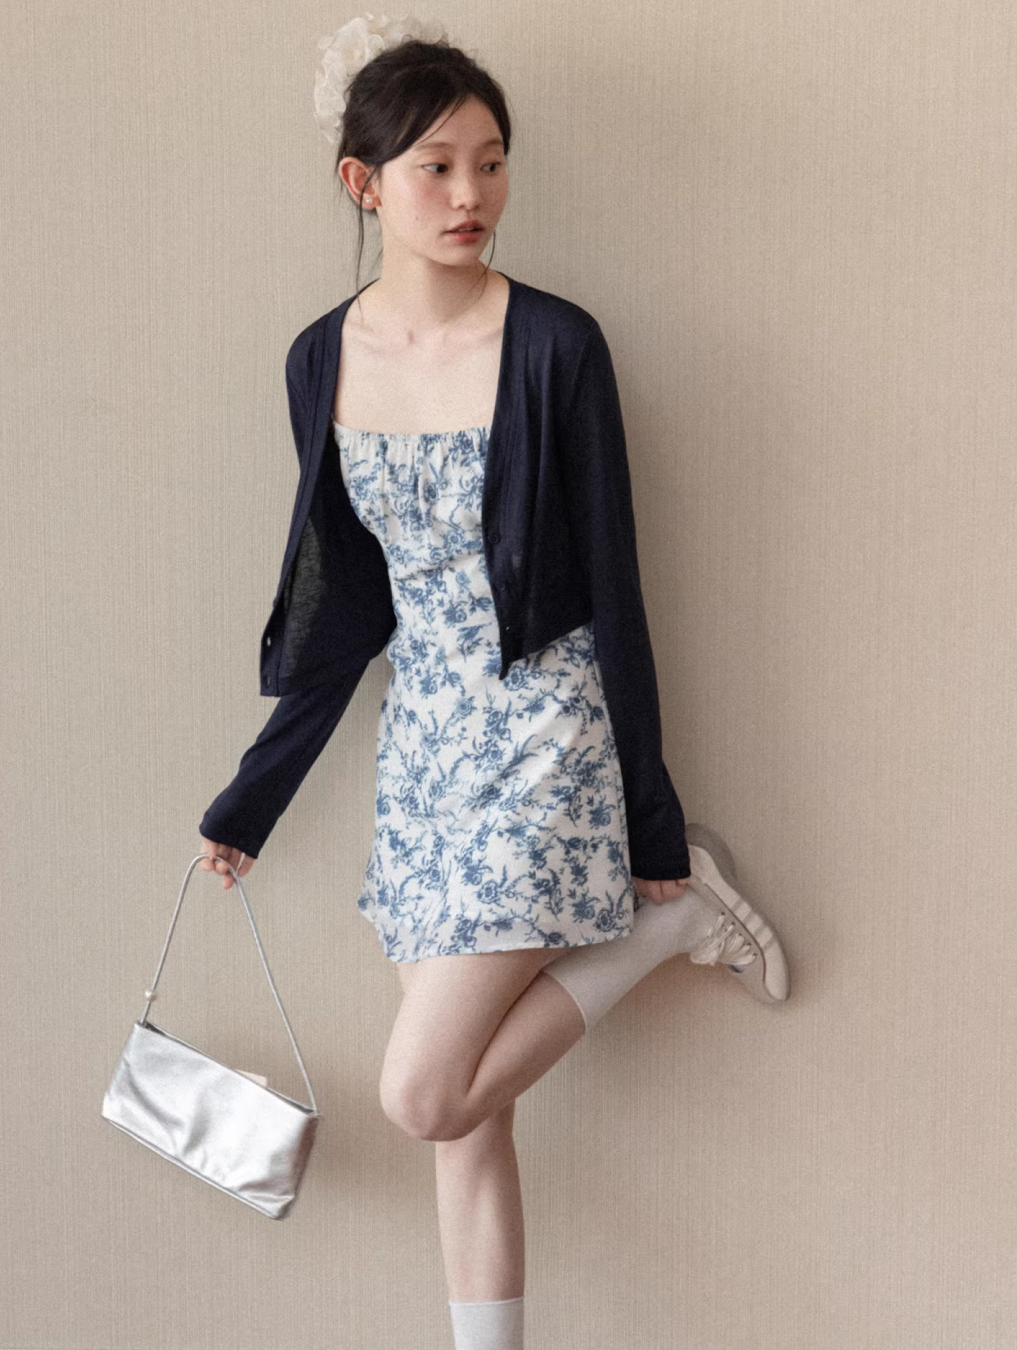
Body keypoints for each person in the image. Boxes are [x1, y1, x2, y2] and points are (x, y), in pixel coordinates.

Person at [197, 16, 790, 1350]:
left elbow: (617, 589)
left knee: (420, 1092)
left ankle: (673, 925)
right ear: (365, 183)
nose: (472, 194)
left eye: (491, 161)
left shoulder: (557, 346)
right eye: (438, 166)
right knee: (469, 1121)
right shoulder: (319, 360)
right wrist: (254, 799)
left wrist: (651, 826)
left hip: (545, 729)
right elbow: (344, 606)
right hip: (424, 746)